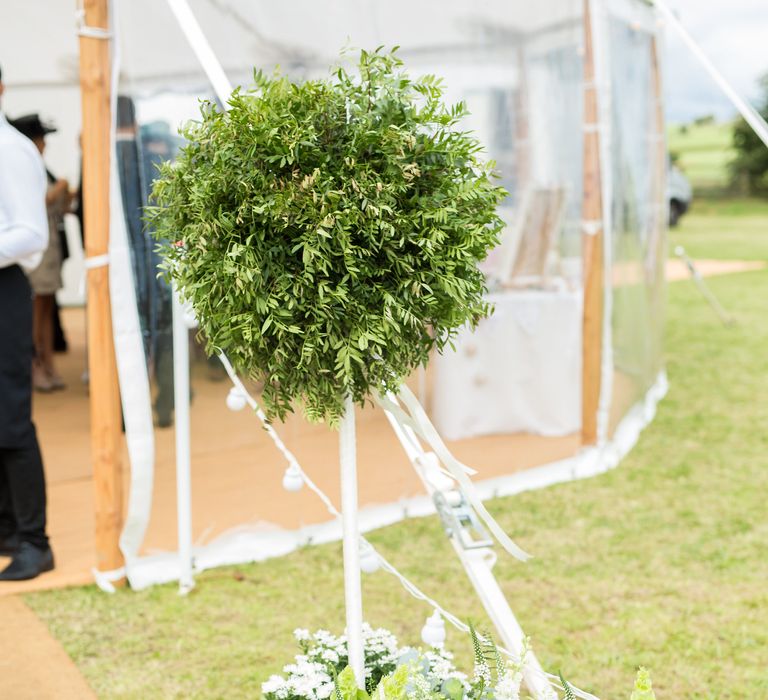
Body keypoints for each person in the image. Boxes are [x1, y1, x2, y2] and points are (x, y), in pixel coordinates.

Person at [0, 65, 55, 580]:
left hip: (4, 290)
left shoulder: (12, 149)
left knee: (11, 419)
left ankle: (35, 542)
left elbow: (31, 234)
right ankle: (7, 530)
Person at [10, 114, 71, 392]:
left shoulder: (38, 165)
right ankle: (37, 366)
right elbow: (37, 202)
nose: (44, 143)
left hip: (48, 250)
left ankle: (48, 363)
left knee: (46, 310)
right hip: (35, 254)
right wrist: (59, 189)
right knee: (36, 313)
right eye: (40, 137)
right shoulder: (21, 162)